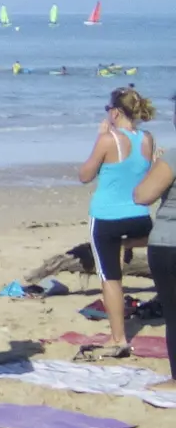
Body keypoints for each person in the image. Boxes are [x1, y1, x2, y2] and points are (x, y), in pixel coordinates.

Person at [78, 87, 158, 355]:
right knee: (127, 249)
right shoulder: (147, 139)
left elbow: (85, 175)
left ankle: (118, 338)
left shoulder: (107, 139)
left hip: (106, 218)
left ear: (115, 112)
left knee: (110, 277)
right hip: (139, 218)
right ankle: (127, 246)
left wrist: (100, 136)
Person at [132, 99, 176, 390]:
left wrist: (156, 167)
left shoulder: (172, 157)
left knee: (173, 312)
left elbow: (142, 195)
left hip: (170, 243)